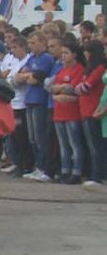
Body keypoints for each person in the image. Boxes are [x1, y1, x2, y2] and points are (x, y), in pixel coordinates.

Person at [17, 31, 56, 183]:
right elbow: (21, 75)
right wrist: (28, 76)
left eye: (33, 43)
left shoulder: (46, 58)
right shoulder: (32, 57)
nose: (30, 46)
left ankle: (44, 168)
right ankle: (37, 167)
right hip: (29, 99)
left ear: (42, 42)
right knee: (32, 137)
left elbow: (36, 78)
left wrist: (28, 76)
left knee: (41, 137)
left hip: (40, 100)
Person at [49, 39, 86, 184]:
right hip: (59, 111)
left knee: (74, 143)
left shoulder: (79, 69)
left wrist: (61, 88)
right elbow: (52, 88)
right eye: (62, 53)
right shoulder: (62, 70)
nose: (63, 56)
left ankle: (76, 171)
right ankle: (65, 170)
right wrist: (61, 90)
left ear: (74, 55)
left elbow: (73, 89)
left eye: (66, 53)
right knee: (63, 144)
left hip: (72, 112)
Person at [0, 36, 33, 177]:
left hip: (22, 103)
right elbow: (7, 78)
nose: (13, 51)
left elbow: (19, 80)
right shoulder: (13, 61)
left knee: (22, 136)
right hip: (12, 102)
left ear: (23, 47)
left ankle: (25, 165)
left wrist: (13, 80)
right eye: (11, 48)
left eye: (15, 48)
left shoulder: (28, 60)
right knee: (13, 135)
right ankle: (16, 162)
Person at [75, 42, 106, 187]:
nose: (85, 54)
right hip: (85, 109)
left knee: (95, 145)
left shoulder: (99, 67)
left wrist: (77, 88)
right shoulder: (90, 68)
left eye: (87, 51)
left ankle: (97, 175)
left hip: (93, 109)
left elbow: (86, 86)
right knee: (92, 144)